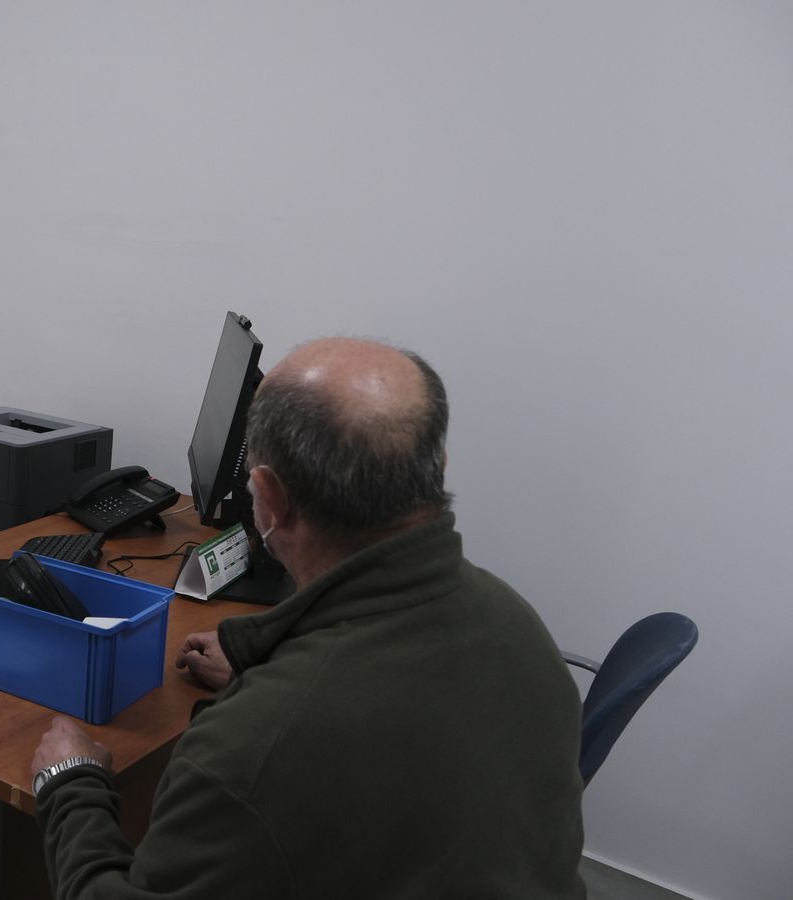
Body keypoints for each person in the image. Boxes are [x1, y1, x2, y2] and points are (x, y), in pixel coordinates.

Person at [30, 338, 586, 899]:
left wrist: (70, 781)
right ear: (436, 469)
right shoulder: (521, 628)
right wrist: (269, 667)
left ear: (267, 500)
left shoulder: (248, 755)